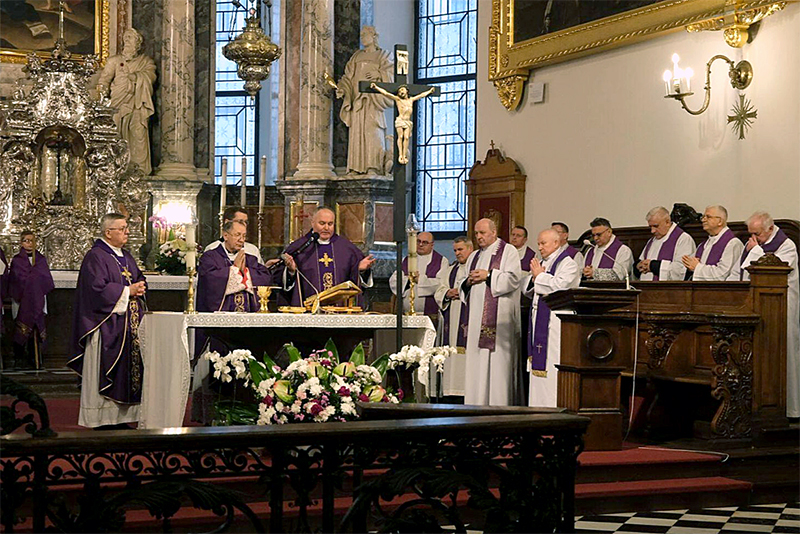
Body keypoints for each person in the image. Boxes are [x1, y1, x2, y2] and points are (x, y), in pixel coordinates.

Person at [68, 214, 147, 429]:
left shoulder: (126, 256)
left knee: (129, 371)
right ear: (108, 232)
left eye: (126, 227)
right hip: (106, 326)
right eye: (122, 228)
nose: (127, 232)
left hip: (128, 326)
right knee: (105, 370)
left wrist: (139, 287)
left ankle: (122, 418)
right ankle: (102, 418)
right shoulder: (96, 256)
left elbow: (139, 277)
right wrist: (127, 291)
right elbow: (95, 290)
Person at [730, 211, 798, 419]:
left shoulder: (787, 246)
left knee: (781, 351)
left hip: (781, 303)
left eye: (757, 234)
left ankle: (789, 407)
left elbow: (777, 269)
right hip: (757, 302)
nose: (753, 238)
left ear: (770, 228)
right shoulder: (755, 243)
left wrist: (756, 250)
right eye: (751, 234)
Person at [459, 218, 522, 406]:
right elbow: (462, 282)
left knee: (497, 363)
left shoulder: (508, 251)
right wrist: (468, 282)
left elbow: (513, 279)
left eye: (482, 233)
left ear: (494, 232)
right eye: (476, 233)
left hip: (499, 320)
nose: (478, 237)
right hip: (475, 317)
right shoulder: (474, 256)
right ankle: (475, 403)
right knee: (476, 362)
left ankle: (498, 405)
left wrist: (489, 276)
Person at [523, 228, 581, 407]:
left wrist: (539, 276)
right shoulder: (541, 262)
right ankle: (536, 408)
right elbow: (527, 288)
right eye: (538, 243)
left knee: (552, 365)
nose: (539, 247)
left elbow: (560, 287)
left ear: (556, 243)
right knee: (539, 368)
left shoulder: (568, 264)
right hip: (538, 320)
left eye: (543, 243)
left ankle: (552, 407)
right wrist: (535, 278)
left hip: (556, 323)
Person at [282, 207, 375, 306]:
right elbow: (284, 284)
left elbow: (355, 285)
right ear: (312, 223)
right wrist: (291, 271)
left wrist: (361, 270)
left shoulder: (347, 248)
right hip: (309, 312)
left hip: (340, 313)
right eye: (322, 223)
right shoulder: (300, 247)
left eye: (330, 224)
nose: (326, 228)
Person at [335, 26, 394, 175]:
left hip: (373, 101)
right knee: (356, 134)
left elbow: (393, 78)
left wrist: (379, 73)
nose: (362, 37)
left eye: (365, 34)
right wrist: (343, 88)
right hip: (357, 102)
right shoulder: (356, 57)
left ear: (374, 36)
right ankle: (356, 168)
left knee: (372, 132)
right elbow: (348, 78)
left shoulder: (384, 55)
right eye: (361, 35)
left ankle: (373, 167)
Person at [96, 28, 156, 174]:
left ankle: (138, 168)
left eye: (131, 38)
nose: (127, 40)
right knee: (114, 133)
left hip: (137, 104)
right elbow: (104, 81)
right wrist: (102, 93)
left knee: (138, 131)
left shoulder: (145, 62)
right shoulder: (114, 61)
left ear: (138, 43)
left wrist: (136, 77)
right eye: (126, 37)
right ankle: (113, 169)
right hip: (117, 103)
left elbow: (151, 76)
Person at [197, 220, 272, 314]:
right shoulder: (210, 257)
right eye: (237, 235)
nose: (242, 240)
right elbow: (209, 280)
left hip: (247, 319)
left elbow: (265, 277)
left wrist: (246, 272)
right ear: (225, 236)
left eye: (244, 236)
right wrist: (234, 269)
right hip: (220, 320)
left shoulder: (250, 259)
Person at [434, 236, 473, 397]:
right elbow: (439, 290)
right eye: (455, 250)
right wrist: (447, 293)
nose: (457, 253)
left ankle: (468, 390)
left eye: (460, 249)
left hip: (470, 316)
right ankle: (452, 390)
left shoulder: (477, 268)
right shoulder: (450, 270)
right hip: (453, 313)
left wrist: (463, 291)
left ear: (470, 249)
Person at [9, 231, 54, 370]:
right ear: (21, 243)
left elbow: (45, 278)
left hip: (38, 299)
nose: (29, 243)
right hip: (21, 300)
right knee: (21, 326)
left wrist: (35, 284)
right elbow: (15, 279)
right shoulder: (17, 260)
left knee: (35, 326)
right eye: (26, 240)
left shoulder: (40, 260)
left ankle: (34, 357)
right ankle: (19, 358)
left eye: (31, 241)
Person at [370, 83, 436, 165]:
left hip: (407, 122)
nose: (401, 91)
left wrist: (430, 91)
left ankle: (404, 155)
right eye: (399, 90)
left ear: (406, 91)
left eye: (402, 89)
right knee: (400, 136)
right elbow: (386, 93)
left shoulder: (411, 100)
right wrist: (376, 87)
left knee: (407, 137)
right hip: (400, 120)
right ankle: (400, 155)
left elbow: (421, 95)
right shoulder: (398, 100)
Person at [390, 231, 448, 316]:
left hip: (430, 314)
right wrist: (409, 279)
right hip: (405, 314)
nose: (420, 245)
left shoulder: (441, 261)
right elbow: (394, 280)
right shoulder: (406, 260)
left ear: (432, 245)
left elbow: (442, 284)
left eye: (425, 242)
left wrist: (420, 280)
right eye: (418, 241)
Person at [682, 205, 743, 281]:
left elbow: (722, 275)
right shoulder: (703, 245)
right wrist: (688, 263)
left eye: (708, 217)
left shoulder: (733, 243)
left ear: (720, 221)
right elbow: (692, 265)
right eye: (703, 217)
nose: (703, 220)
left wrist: (697, 267)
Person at [637, 206, 696, 281]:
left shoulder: (683, 239)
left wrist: (653, 266)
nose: (652, 231)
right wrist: (639, 265)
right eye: (650, 227)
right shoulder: (651, 241)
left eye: (655, 226)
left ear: (667, 222)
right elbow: (641, 260)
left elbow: (681, 270)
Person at [583, 217, 633, 281]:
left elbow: (618, 275)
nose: (595, 238)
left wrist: (595, 273)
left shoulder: (623, 250)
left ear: (609, 232)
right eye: (593, 235)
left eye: (599, 235)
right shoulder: (590, 251)